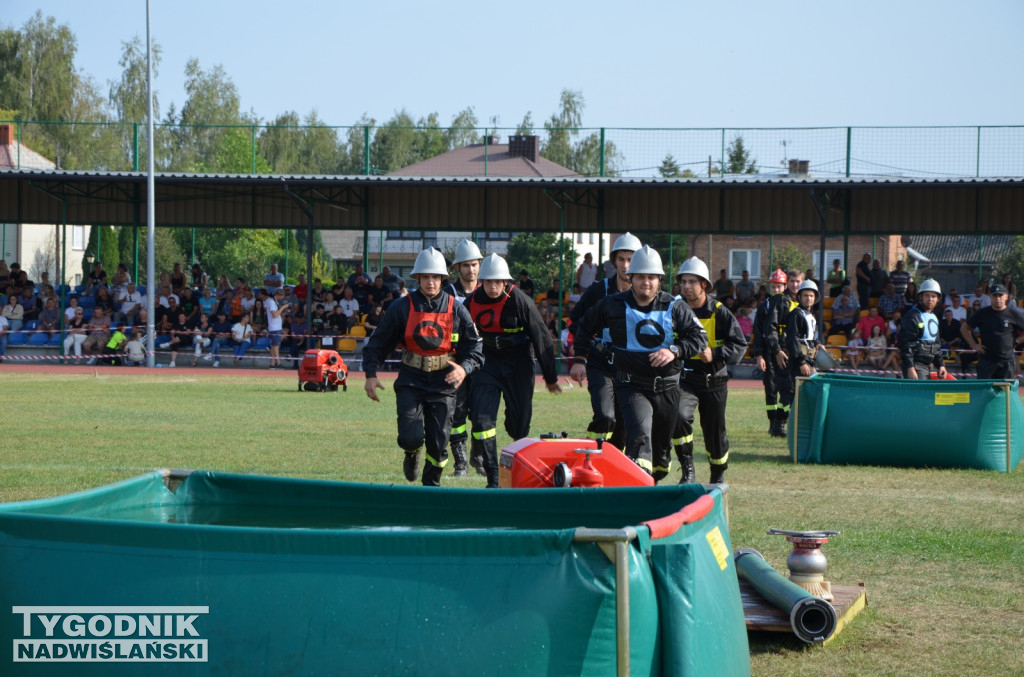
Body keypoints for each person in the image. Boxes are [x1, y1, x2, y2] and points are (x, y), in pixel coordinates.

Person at [571, 246, 708, 482]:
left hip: (667, 387)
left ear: (659, 280)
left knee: (660, 461)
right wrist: (580, 359)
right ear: (630, 277)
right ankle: (639, 491)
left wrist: (674, 350)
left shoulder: (675, 306)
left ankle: (656, 473)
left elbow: (699, 338)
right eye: (641, 277)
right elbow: (583, 327)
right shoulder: (611, 304)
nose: (646, 282)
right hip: (631, 385)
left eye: (651, 277)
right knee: (639, 438)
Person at [362, 247, 483, 487]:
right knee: (410, 437)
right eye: (426, 277)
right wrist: (370, 374)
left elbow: (475, 347)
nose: (431, 282)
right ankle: (411, 453)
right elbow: (378, 342)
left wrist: (465, 368)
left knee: (439, 445)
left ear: (442, 279)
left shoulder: (457, 308)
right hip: (411, 380)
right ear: (417, 278)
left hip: (444, 383)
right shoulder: (400, 307)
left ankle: (431, 489)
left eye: (435, 277)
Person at [466, 253, 562, 487]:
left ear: (506, 282)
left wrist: (550, 376)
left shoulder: (519, 300)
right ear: (482, 281)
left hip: (518, 362)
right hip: (487, 361)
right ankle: (493, 476)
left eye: (498, 281)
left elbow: (541, 338)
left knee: (519, 428)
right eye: (488, 281)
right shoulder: (471, 301)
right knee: (481, 419)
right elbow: (462, 335)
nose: (493, 286)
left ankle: (513, 427)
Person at [672, 257, 747, 484]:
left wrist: (714, 354)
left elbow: (740, 346)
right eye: (683, 281)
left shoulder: (720, 312)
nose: (686, 286)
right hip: (686, 380)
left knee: (715, 433)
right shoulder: (675, 310)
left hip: (715, 381)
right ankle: (688, 471)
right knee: (679, 417)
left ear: (704, 284)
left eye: (692, 282)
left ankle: (717, 474)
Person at [569, 232, 643, 448]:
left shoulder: (647, 294)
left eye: (631, 259)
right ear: (614, 261)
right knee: (606, 416)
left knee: (623, 427)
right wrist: (581, 355)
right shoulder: (598, 290)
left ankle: (612, 463)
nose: (626, 265)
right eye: (621, 259)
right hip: (600, 361)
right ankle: (591, 453)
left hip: (631, 366)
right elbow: (576, 321)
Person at [446, 238, 483, 476]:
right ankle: (460, 462)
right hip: (454, 362)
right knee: (456, 412)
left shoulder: (489, 289)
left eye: (474, 264)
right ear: (457, 268)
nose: (471, 269)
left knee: (482, 413)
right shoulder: (447, 292)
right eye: (466, 265)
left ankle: (478, 458)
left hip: (481, 361)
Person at [765, 269, 804, 437]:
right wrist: (777, 350)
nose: (795, 285)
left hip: (794, 352)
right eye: (792, 281)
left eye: (798, 282)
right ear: (787, 283)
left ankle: (780, 423)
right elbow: (770, 326)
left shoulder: (801, 302)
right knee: (786, 389)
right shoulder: (781, 300)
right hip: (782, 352)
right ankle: (778, 425)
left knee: (792, 390)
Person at [960, 284, 1024, 379]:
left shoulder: (1014, 314)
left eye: (1000, 295)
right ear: (990, 297)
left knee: (1005, 392)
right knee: (984, 391)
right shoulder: (982, 313)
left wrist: (1017, 341)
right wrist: (973, 345)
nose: (997, 298)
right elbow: (964, 328)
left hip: (1006, 361)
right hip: (987, 360)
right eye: (995, 296)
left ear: (1006, 297)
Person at [898, 278, 946, 379]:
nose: (930, 299)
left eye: (933, 296)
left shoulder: (933, 317)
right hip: (916, 366)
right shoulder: (912, 316)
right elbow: (906, 344)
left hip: (929, 365)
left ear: (937, 299)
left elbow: (936, 344)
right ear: (921, 296)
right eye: (927, 295)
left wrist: (941, 365)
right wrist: (910, 368)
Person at [783, 279, 827, 381]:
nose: (809, 298)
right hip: (800, 360)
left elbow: (811, 337)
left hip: (809, 360)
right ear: (799, 297)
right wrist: (801, 362)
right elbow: (793, 339)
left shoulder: (810, 315)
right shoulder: (796, 314)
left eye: (811, 296)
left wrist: (818, 343)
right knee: (799, 393)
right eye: (805, 295)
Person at [265, 288, 289, 368]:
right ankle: (278, 363)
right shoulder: (272, 302)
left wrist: (283, 312)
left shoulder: (275, 302)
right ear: (279, 295)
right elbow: (274, 314)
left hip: (276, 326)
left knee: (273, 346)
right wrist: (282, 308)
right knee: (276, 346)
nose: (282, 298)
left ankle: (272, 363)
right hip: (274, 327)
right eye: (282, 296)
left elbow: (277, 314)